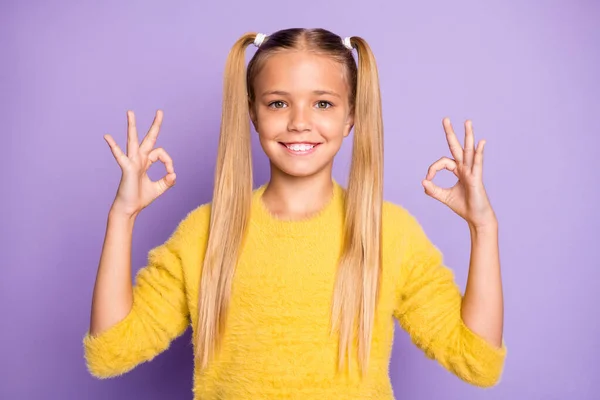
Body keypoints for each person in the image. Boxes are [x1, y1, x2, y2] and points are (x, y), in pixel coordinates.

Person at [83, 28, 506, 399]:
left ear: (351, 116)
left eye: (323, 104)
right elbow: (112, 350)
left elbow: (476, 360)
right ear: (252, 111)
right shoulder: (205, 233)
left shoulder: (388, 233)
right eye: (278, 103)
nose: (300, 122)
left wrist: (483, 228)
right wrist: (123, 217)